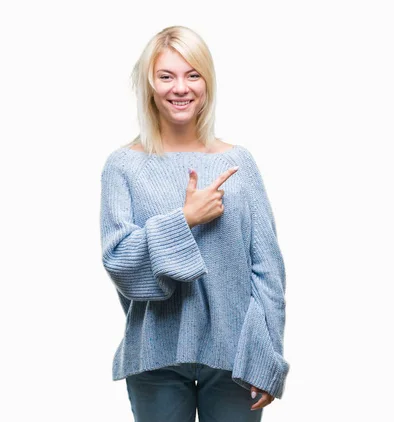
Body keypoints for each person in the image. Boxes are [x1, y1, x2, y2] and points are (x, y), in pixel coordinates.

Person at [99, 25, 289, 422]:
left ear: (207, 83)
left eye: (192, 74)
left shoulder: (240, 163)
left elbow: (267, 270)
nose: (180, 88)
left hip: (236, 356)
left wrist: (267, 356)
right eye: (166, 76)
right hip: (155, 357)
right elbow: (119, 262)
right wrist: (184, 220)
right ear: (149, 85)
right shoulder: (123, 167)